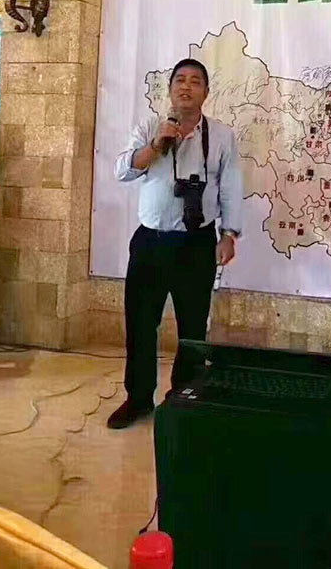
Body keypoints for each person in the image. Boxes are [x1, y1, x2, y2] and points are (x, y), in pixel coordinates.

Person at [107, 58, 243, 429]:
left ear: (206, 93)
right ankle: (138, 399)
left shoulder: (221, 136)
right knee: (140, 324)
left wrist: (229, 234)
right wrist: (155, 146)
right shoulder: (149, 126)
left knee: (192, 329)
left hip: (197, 243)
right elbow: (122, 170)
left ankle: (185, 399)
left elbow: (231, 186)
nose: (186, 87)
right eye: (180, 80)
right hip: (150, 242)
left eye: (195, 81)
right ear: (169, 90)